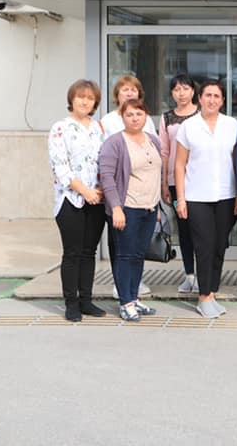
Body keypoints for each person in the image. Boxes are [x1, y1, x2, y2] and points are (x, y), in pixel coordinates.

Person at [173, 80, 237, 319]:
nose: (212, 100)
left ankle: (212, 292)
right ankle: (203, 297)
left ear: (223, 101)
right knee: (204, 246)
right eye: (208, 95)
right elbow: (179, 165)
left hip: (226, 195)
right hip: (196, 196)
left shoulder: (231, 125)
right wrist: (180, 199)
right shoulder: (188, 126)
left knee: (219, 246)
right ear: (200, 98)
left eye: (217, 96)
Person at [47, 79, 107, 322]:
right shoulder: (60, 128)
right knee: (72, 252)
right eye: (81, 96)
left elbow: (106, 161)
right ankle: (71, 303)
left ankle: (86, 301)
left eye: (90, 98)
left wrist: (101, 189)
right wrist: (85, 191)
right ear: (71, 99)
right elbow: (60, 167)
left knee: (89, 252)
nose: (85, 101)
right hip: (70, 199)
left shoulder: (99, 129)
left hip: (97, 200)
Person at [98, 98, 162, 322]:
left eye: (139, 113)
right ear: (122, 118)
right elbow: (107, 177)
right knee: (125, 255)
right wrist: (116, 208)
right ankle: (125, 302)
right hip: (127, 208)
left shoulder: (153, 140)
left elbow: (156, 174)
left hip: (149, 208)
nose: (135, 118)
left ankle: (134, 298)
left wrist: (157, 206)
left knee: (138, 254)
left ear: (146, 116)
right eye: (130, 114)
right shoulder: (115, 142)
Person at [159, 73, 200, 294]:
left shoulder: (202, 114)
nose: (181, 93)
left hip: (200, 179)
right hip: (176, 181)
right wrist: (164, 183)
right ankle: (189, 275)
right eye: (176, 89)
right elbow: (164, 152)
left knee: (201, 229)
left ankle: (203, 274)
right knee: (183, 228)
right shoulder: (167, 118)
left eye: (185, 88)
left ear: (193, 91)